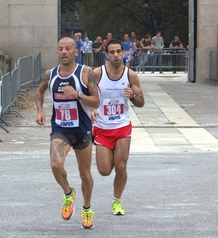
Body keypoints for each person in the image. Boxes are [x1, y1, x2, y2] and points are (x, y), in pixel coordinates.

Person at [35, 37, 100, 229]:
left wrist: (78, 95)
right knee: (56, 165)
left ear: (75, 52)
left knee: (85, 174)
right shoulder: (50, 74)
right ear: (57, 52)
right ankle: (68, 193)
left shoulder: (85, 72)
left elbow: (96, 101)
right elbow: (39, 92)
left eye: (68, 48)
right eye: (60, 49)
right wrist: (40, 111)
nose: (64, 52)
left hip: (82, 129)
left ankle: (87, 210)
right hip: (61, 129)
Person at [92, 39, 145, 216]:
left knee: (121, 166)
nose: (116, 55)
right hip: (102, 128)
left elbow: (141, 103)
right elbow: (86, 96)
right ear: (106, 55)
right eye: (112, 52)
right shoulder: (97, 74)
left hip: (122, 126)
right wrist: (91, 109)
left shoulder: (131, 76)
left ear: (124, 53)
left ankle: (117, 201)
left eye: (118, 52)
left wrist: (132, 97)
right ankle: (110, 155)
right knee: (105, 170)